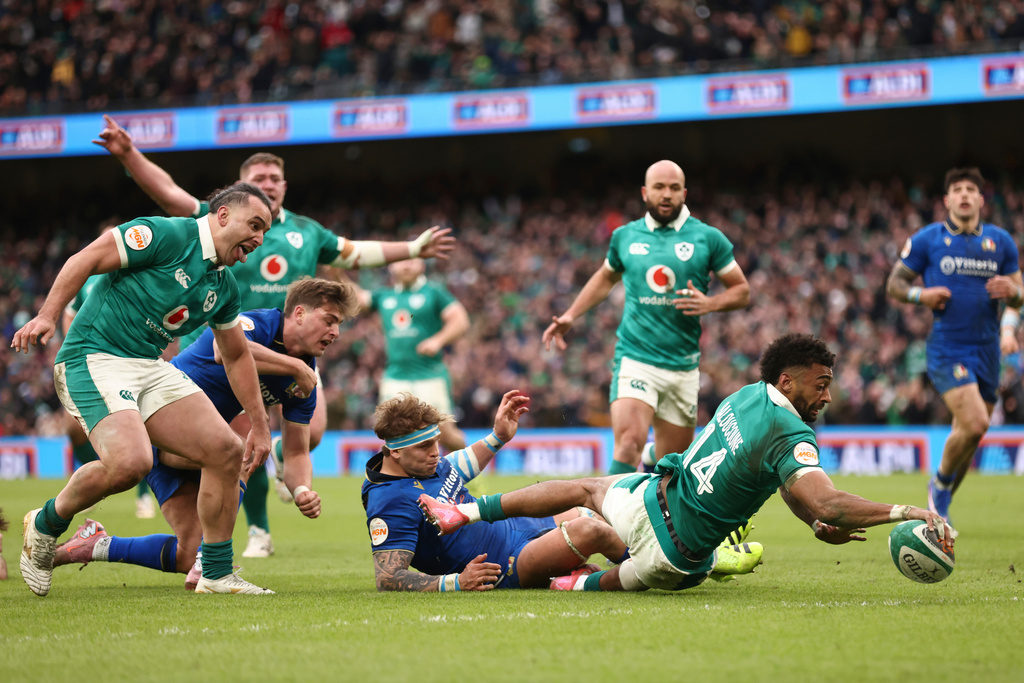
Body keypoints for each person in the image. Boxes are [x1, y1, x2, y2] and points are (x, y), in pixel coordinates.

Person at [94, 116, 456, 558]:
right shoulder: (221, 222)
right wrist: (130, 155)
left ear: (285, 186)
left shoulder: (307, 232)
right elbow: (170, 195)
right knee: (244, 438)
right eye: (256, 178)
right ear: (238, 189)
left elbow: (357, 252)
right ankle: (252, 534)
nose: (267, 183)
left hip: (292, 346)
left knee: (310, 429)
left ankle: (228, 523)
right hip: (231, 347)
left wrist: (413, 249)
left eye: (274, 178)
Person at [419, 334, 954, 592]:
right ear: (789, 382)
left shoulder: (748, 395)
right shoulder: (792, 432)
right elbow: (825, 497)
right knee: (644, 575)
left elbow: (792, 489)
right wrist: (905, 511)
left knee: (586, 488)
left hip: (650, 499)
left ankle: (464, 513)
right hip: (677, 553)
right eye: (821, 384)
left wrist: (814, 521)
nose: (827, 397)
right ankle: (577, 585)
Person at [13, 182, 276, 596]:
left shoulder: (223, 286)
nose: (259, 239)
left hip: (148, 365)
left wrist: (260, 426)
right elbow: (87, 257)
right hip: (92, 355)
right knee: (130, 463)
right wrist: (47, 315)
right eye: (255, 224)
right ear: (222, 215)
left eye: (265, 232)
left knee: (227, 450)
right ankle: (44, 523)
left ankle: (217, 574)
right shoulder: (168, 234)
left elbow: (238, 356)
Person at [52, 278, 359, 589]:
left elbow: (295, 452)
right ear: (299, 313)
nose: (335, 332)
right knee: (239, 451)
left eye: (339, 324)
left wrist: (302, 490)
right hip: (158, 425)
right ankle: (214, 570)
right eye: (329, 320)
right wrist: (293, 366)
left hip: (196, 449)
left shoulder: (303, 382)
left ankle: (96, 544)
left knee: (188, 551)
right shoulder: (261, 324)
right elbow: (221, 348)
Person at [542, 160, 750, 475]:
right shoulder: (625, 236)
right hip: (635, 357)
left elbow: (742, 291)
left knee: (671, 462)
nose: (666, 194)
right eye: (659, 187)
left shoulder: (708, 238)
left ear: (684, 193)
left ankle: (653, 458)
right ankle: (603, 519)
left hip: (682, 366)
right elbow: (604, 278)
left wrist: (711, 304)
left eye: (673, 188)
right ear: (644, 192)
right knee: (628, 443)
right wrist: (571, 315)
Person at [363, 390, 641, 591]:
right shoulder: (389, 500)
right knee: (590, 530)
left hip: (520, 526)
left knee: (594, 508)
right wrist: (456, 582)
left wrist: (499, 437)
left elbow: (466, 460)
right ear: (396, 451)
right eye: (425, 447)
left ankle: (576, 577)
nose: (436, 453)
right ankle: (651, 566)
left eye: (436, 442)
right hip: (507, 562)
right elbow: (388, 577)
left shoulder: (426, 465)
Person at [886, 167, 1023, 527]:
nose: (964, 195)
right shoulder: (928, 240)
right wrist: (922, 294)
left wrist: (1010, 325)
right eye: (957, 190)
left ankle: (940, 508)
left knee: (970, 436)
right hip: (948, 347)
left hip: (989, 351)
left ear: (981, 198)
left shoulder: (1001, 242)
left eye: (971, 190)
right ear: (947, 200)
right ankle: (939, 488)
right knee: (977, 421)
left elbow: (1018, 296)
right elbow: (895, 284)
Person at [60, 218, 157, 520]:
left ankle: (144, 496)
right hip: (90, 363)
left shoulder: (141, 274)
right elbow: (70, 315)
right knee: (72, 429)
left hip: (130, 362)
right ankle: (90, 481)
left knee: (139, 434)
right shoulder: (88, 277)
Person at [361, 258, 470, 452]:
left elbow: (460, 320)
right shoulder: (384, 296)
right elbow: (358, 298)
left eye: (412, 260)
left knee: (444, 433)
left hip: (430, 373)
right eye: (401, 261)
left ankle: (470, 476)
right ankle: (400, 482)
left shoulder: (433, 292)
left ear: (422, 265)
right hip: (395, 375)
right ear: (391, 266)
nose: (406, 265)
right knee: (394, 434)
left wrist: (438, 340)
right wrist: (338, 275)